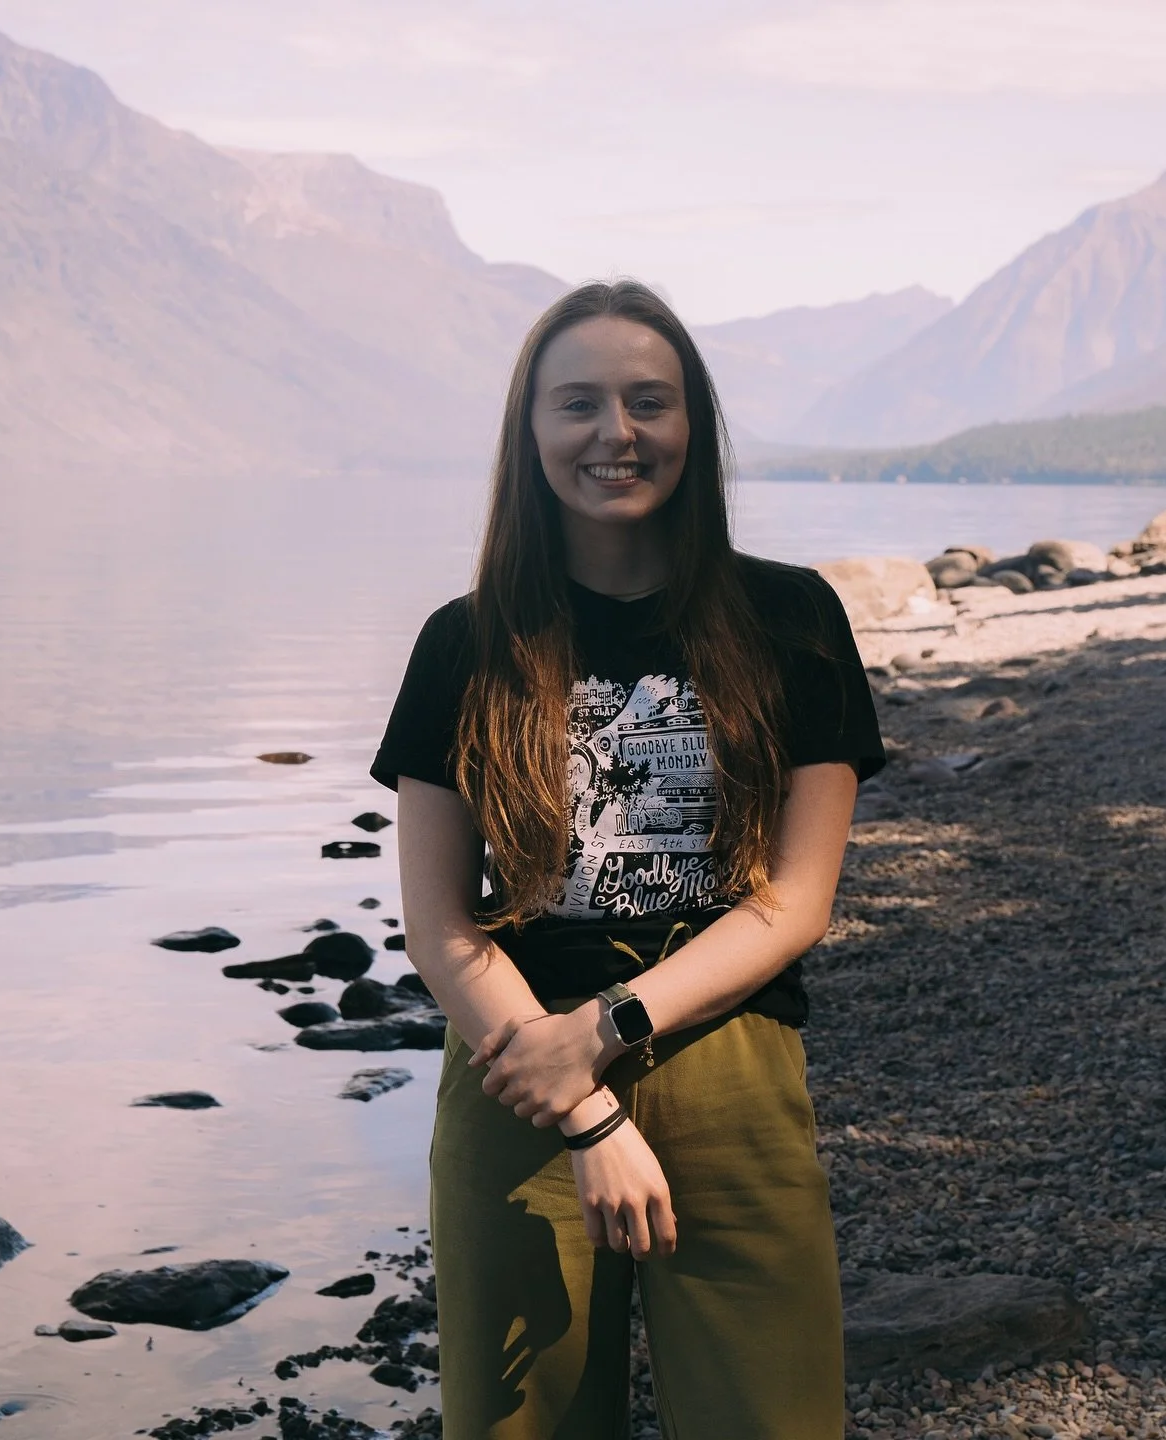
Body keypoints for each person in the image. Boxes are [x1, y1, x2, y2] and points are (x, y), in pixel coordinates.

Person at [371, 279, 885, 1440]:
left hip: (728, 1062)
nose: (617, 433)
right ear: (531, 430)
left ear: (693, 426)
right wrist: (588, 1117)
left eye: (649, 400)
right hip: (517, 1076)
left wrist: (604, 1040)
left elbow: (796, 900)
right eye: (579, 404)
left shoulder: (793, 620)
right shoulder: (464, 643)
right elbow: (440, 923)